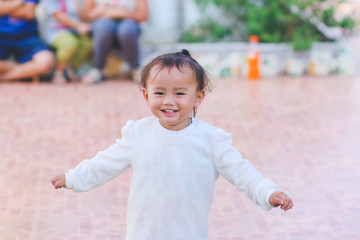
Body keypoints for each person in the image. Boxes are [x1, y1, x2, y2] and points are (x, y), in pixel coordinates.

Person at [51, 49, 293, 240]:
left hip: (189, 233)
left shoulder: (211, 140)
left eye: (179, 93)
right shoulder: (138, 134)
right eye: (159, 93)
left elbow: (243, 172)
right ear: (146, 95)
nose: (169, 101)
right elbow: (104, 163)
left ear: (198, 97)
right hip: (143, 234)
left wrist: (268, 192)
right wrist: (73, 178)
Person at [81, 0, 148, 83]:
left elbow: (143, 15)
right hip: (103, 22)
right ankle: (98, 68)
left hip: (130, 22)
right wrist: (121, 12)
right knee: (104, 27)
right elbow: (88, 14)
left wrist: (106, 11)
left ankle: (135, 68)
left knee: (127, 30)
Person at [0, 0, 54, 82]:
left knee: (46, 61)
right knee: (40, 67)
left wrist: (5, 7)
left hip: (28, 36)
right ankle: (28, 72)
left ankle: (4, 78)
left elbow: (28, 13)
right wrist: (19, 3)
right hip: (2, 37)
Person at [42, 0, 93, 84]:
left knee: (87, 42)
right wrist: (78, 26)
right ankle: (58, 72)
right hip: (56, 31)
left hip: (74, 30)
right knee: (69, 43)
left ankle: (72, 70)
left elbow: (82, 14)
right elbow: (57, 14)